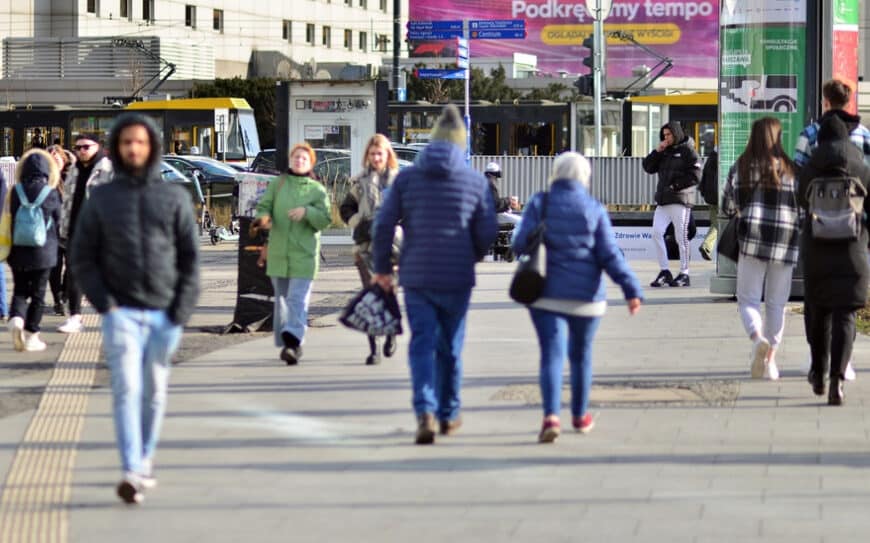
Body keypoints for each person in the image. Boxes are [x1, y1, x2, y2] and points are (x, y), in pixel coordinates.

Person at [70, 113, 200, 504]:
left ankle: (144, 460)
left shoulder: (173, 197)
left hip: (165, 314)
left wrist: (181, 310)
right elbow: (82, 257)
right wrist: (104, 303)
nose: (133, 148)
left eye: (140, 142)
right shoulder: (103, 199)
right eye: (126, 142)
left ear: (152, 147)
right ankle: (131, 468)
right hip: (120, 313)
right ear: (117, 148)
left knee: (155, 391)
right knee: (126, 389)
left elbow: (191, 259)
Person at [371, 104, 498, 445]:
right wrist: (471, 255)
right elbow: (487, 231)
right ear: (460, 144)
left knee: (423, 343)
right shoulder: (475, 182)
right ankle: (448, 412)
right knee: (451, 347)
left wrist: (381, 269)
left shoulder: (408, 178)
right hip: (457, 278)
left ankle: (424, 410)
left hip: (417, 276)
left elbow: (383, 225)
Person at [512, 152, 643, 442]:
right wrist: (631, 290)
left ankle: (550, 417)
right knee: (582, 356)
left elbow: (519, 243)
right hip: (587, 298)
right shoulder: (593, 208)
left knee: (551, 355)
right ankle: (580, 416)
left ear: (556, 173)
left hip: (544, 294)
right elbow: (610, 255)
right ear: (585, 176)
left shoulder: (539, 202)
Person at [797, 115, 870, 406]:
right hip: (852, 249)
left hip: (816, 249)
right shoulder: (860, 166)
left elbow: (801, 200)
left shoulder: (811, 166)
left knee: (819, 312)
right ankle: (837, 379)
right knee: (845, 315)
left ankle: (818, 370)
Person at [721, 118, 801, 381]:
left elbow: (726, 206)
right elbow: (802, 208)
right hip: (785, 242)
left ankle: (757, 339)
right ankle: (771, 361)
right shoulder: (790, 169)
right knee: (777, 304)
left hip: (752, 242)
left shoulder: (740, 167)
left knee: (748, 300)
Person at [252, 143, 331, 365]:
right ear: (290, 160)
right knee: (283, 301)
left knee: (297, 299)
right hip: (278, 252)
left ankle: (293, 341)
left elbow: (325, 219)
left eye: (303, 159)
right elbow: (264, 206)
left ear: (311, 163)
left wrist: (307, 212)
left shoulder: (317, 190)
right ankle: (288, 339)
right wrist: (264, 218)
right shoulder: (278, 184)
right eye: (296, 157)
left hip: (304, 254)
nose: (299, 161)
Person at [340, 134, 400, 366]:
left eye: (380, 154)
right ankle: (373, 348)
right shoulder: (360, 182)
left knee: (387, 294)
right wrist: (358, 222)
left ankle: (392, 332)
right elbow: (346, 208)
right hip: (365, 246)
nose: (376, 158)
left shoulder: (398, 182)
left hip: (391, 248)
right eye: (373, 154)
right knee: (371, 295)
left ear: (387, 155)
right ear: (368, 155)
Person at [7, 149, 61, 352]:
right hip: (43, 251)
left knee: (20, 290)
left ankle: (16, 318)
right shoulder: (51, 192)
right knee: (38, 294)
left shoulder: (16, 191)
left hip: (18, 249)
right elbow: (58, 220)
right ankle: (32, 335)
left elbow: (10, 215)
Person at [58, 133, 112, 334]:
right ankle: (74, 316)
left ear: (97, 147)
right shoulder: (73, 170)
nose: (81, 151)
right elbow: (67, 202)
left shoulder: (107, 169)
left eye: (85, 147)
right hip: (74, 231)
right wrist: (63, 228)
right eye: (77, 147)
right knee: (73, 274)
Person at [642, 121, 702, 287]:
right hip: (663, 200)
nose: (666, 138)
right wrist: (657, 151)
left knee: (681, 237)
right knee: (656, 232)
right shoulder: (665, 152)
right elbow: (648, 167)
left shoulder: (688, 150)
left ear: (676, 134)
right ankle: (665, 271)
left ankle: (684, 273)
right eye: (664, 135)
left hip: (680, 199)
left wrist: (675, 186)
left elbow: (696, 175)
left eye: (669, 134)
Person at [794, 79, 870, 169]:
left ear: (826, 103)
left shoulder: (809, 133)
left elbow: (798, 170)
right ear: (848, 105)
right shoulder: (863, 133)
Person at [46, 144, 72, 316]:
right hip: (52, 231)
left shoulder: (73, 175)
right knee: (54, 268)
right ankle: (57, 300)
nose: (55, 161)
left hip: (71, 231)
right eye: (51, 159)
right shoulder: (45, 179)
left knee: (73, 268)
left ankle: (65, 293)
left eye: (58, 158)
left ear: (63, 159)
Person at [698, 148, 719, 261]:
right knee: (718, 224)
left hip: (710, 197)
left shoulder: (710, 158)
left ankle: (707, 247)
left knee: (716, 223)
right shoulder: (723, 160)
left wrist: (703, 192)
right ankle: (706, 246)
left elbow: (704, 176)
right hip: (720, 197)